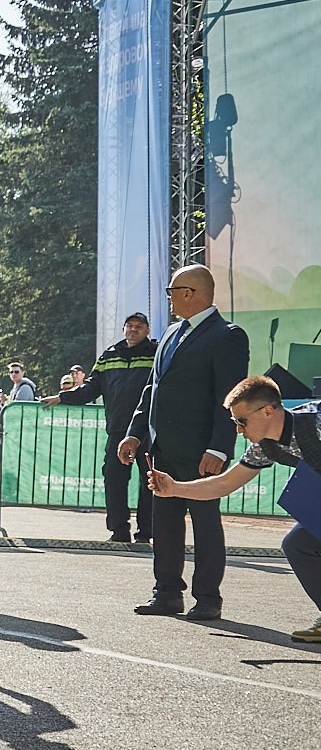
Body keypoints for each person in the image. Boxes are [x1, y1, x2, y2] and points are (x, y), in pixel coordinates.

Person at [120, 264, 249, 620]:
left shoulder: (227, 335)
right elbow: (153, 389)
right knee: (164, 524)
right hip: (162, 448)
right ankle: (166, 594)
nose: (171, 298)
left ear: (190, 293)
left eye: (173, 291)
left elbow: (229, 396)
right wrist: (135, 432)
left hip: (200, 452)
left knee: (206, 523)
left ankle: (208, 598)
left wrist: (219, 447)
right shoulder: (172, 333)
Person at [149, 375, 321, 641]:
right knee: (298, 544)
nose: (238, 430)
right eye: (234, 422)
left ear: (267, 411)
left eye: (241, 421)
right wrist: (174, 489)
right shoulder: (264, 447)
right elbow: (224, 484)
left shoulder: (316, 422)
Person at [47, 313, 158, 543]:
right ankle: (119, 531)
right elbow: (90, 389)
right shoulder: (109, 356)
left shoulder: (156, 353)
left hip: (149, 429)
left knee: (149, 481)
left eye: (139, 327)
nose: (133, 330)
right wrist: (62, 397)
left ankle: (146, 532)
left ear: (148, 330)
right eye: (129, 326)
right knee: (114, 479)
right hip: (118, 430)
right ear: (123, 329)